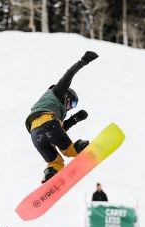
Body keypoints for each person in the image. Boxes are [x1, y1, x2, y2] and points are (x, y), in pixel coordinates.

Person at [25, 51, 99, 183]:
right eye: (73, 103)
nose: (71, 108)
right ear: (67, 96)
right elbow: (68, 75)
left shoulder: (48, 105)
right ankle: (83, 146)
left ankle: (50, 175)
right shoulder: (58, 93)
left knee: (55, 162)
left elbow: (58, 129)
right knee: (69, 150)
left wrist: (74, 119)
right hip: (49, 122)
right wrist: (83, 61)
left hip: (35, 134)